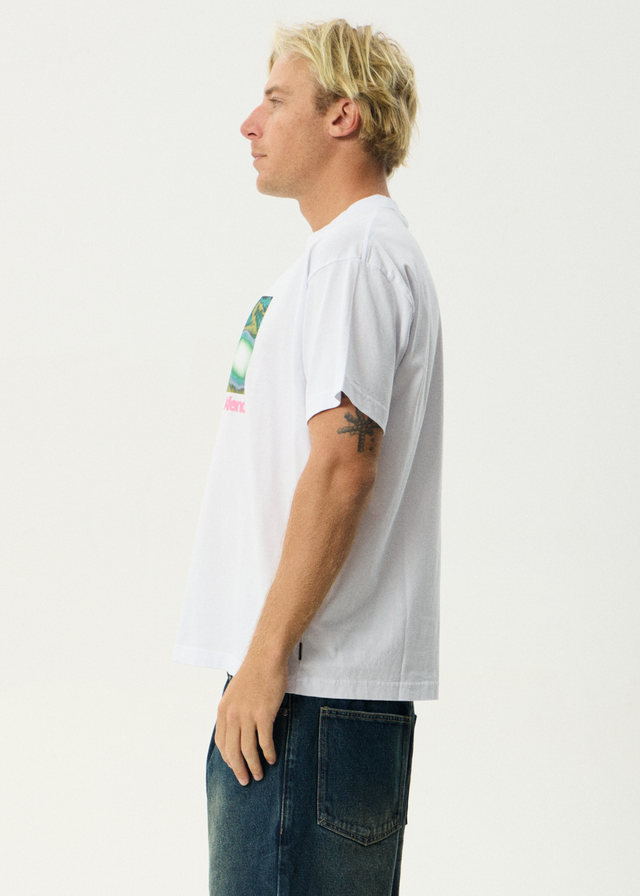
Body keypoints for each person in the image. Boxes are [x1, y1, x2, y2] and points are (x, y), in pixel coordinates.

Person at [174, 18, 443, 896]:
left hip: (304, 693)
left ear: (343, 116)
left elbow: (343, 466)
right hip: (310, 692)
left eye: (276, 100)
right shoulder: (341, 259)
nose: (249, 123)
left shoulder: (356, 257)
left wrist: (264, 660)